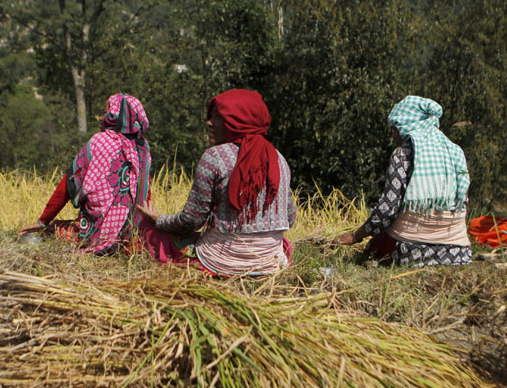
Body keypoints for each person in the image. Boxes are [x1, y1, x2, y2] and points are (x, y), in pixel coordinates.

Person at [138, 89, 295, 277]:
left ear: (238, 120)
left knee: (151, 232)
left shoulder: (214, 157)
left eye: (217, 116)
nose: (209, 122)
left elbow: (191, 221)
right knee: (284, 243)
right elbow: (290, 217)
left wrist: (158, 220)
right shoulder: (279, 158)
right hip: (270, 262)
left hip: (220, 262)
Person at [334, 96, 472, 266]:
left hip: (410, 251)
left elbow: (387, 212)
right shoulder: (456, 152)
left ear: (407, 126)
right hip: (458, 253)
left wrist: (355, 236)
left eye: (395, 129)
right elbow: (463, 201)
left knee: (377, 243)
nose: (394, 136)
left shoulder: (403, 154)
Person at [23, 93, 152, 254]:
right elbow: (145, 193)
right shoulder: (142, 148)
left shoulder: (100, 141)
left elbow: (68, 184)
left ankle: (93, 242)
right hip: (131, 237)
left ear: (115, 116)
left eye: (105, 111)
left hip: (96, 235)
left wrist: (43, 221)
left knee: (52, 230)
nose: (101, 117)